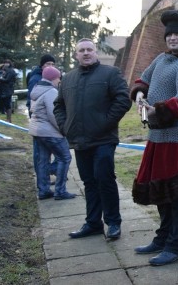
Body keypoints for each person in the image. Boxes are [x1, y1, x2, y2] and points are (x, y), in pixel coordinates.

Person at [129, 10, 178, 267]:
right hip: (158, 137)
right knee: (160, 191)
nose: (172, 38)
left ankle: (175, 246)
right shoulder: (162, 59)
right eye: (169, 34)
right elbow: (142, 80)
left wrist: (156, 110)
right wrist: (139, 94)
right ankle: (162, 238)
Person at [54, 38, 131, 240]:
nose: (86, 53)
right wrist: (64, 127)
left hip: (104, 138)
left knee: (104, 179)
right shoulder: (68, 79)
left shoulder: (110, 73)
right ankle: (93, 223)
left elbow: (123, 99)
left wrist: (105, 123)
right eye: (82, 50)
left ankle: (113, 222)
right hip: (79, 140)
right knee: (89, 182)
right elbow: (58, 106)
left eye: (89, 50)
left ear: (95, 53)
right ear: (76, 54)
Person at [29, 66, 76, 201]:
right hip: (50, 132)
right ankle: (60, 191)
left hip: (38, 131)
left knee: (42, 160)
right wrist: (64, 130)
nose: (59, 81)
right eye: (58, 78)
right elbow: (54, 115)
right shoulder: (50, 92)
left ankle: (43, 190)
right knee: (65, 158)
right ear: (54, 78)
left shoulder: (37, 89)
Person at [26, 54, 58, 177]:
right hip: (41, 120)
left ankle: (47, 173)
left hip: (47, 120)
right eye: (47, 64)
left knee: (49, 151)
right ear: (42, 65)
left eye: (52, 64)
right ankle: (43, 175)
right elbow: (31, 98)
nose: (50, 66)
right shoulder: (35, 78)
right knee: (40, 152)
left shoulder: (52, 77)